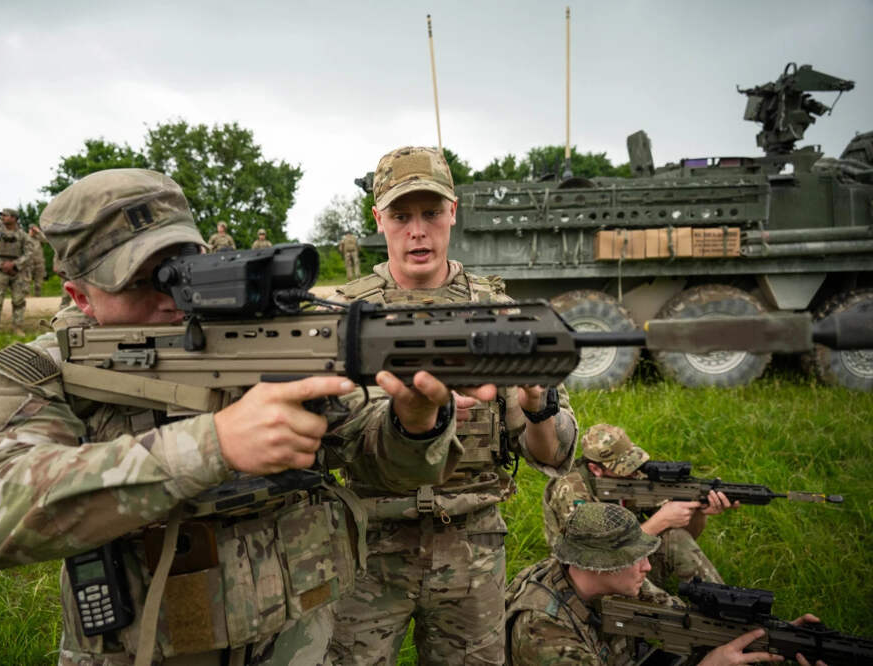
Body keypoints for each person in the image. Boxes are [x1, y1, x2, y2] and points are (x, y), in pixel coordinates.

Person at [0, 168, 470, 666]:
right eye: (142, 282)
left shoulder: (259, 340)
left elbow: (388, 464)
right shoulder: (45, 371)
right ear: (80, 295)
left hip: (297, 642)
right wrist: (214, 443)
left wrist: (413, 422)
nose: (173, 300)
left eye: (183, 271)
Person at [328, 146, 579, 665]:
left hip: (471, 550)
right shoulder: (344, 316)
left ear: (453, 213)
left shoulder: (499, 312)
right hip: (367, 547)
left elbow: (552, 455)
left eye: (431, 213)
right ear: (378, 219)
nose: (417, 231)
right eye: (401, 216)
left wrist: (537, 404)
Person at [506, 502, 823, 666]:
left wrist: (773, 637)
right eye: (634, 558)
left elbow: (685, 620)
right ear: (598, 564)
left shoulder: (614, 583)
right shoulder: (542, 632)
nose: (647, 566)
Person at [544, 424, 734, 589]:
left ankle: (721, 602)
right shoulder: (571, 491)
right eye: (624, 469)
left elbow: (686, 534)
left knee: (677, 538)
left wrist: (698, 510)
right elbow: (595, 557)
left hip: (631, 562)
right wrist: (660, 521)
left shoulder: (633, 478)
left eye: (633, 464)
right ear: (596, 469)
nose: (634, 473)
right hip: (586, 577)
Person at [0, 208, 30, 338]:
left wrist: (15, 264)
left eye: (6, 215)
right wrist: (1, 264)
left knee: (19, 300)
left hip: (17, 271)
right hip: (0, 270)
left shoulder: (22, 235)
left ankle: (18, 327)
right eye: (2, 215)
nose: (2, 217)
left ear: (14, 218)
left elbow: (29, 253)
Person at [27, 224, 47, 296]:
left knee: (38, 282)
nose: (32, 232)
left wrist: (38, 231)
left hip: (39, 262)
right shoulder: (25, 237)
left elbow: (46, 240)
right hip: (28, 263)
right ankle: (27, 296)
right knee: (27, 281)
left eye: (33, 230)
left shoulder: (39, 238)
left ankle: (37, 297)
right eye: (31, 230)